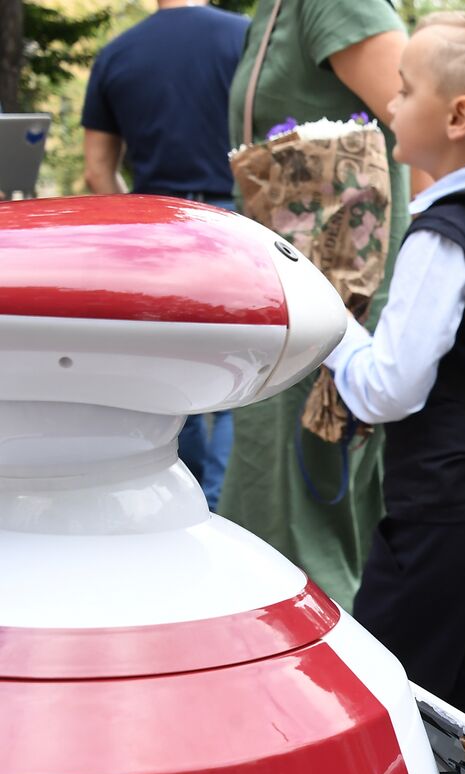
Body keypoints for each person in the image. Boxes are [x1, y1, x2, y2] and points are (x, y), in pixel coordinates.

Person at [323, 12, 465, 739]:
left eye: (404, 88)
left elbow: (388, 387)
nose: (387, 103)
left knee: (391, 708)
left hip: (440, 511)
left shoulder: (445, 232)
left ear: (458, 116)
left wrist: (329, 323)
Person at [220, 0, 421, 611]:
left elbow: (433, 129)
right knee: (274, 511)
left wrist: (440, 265)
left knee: (302, 523)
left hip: (332, 307)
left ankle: (318, 689)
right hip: (286, 293)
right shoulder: (270, 11)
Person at [80, 0, 248, 511]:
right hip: (239, 224)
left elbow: (96, 171)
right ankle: (229, 500)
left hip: (157, 230)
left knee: (173, 372)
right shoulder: (246, 38)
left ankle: (188, 496)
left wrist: (129, 226)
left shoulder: (116, 53)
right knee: (250, 372)